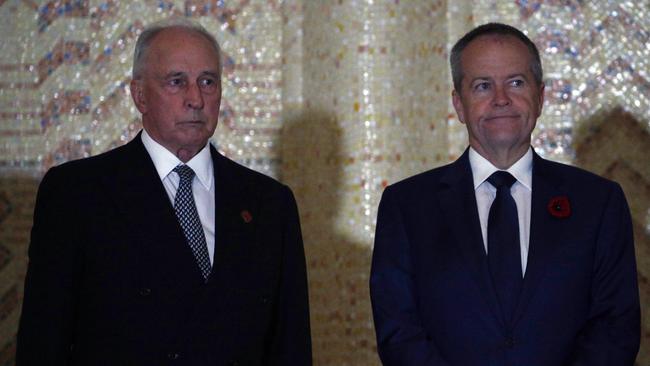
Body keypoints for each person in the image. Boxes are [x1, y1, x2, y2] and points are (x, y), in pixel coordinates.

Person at [17, 18, 311, 365]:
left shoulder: (269, 204)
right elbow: (43, 342)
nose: (195, 99)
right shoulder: (77, 194)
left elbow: (291, 347)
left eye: (207, 81)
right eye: (176, 82)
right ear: (139, 94)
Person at [370, 22, 640, 365]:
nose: (500, 99)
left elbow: (615, 327)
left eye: (515, 82)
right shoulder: (407, 206)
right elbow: (399, 332)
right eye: (483, 86)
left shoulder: (599, 203)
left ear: (540, 97)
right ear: (459, 104)